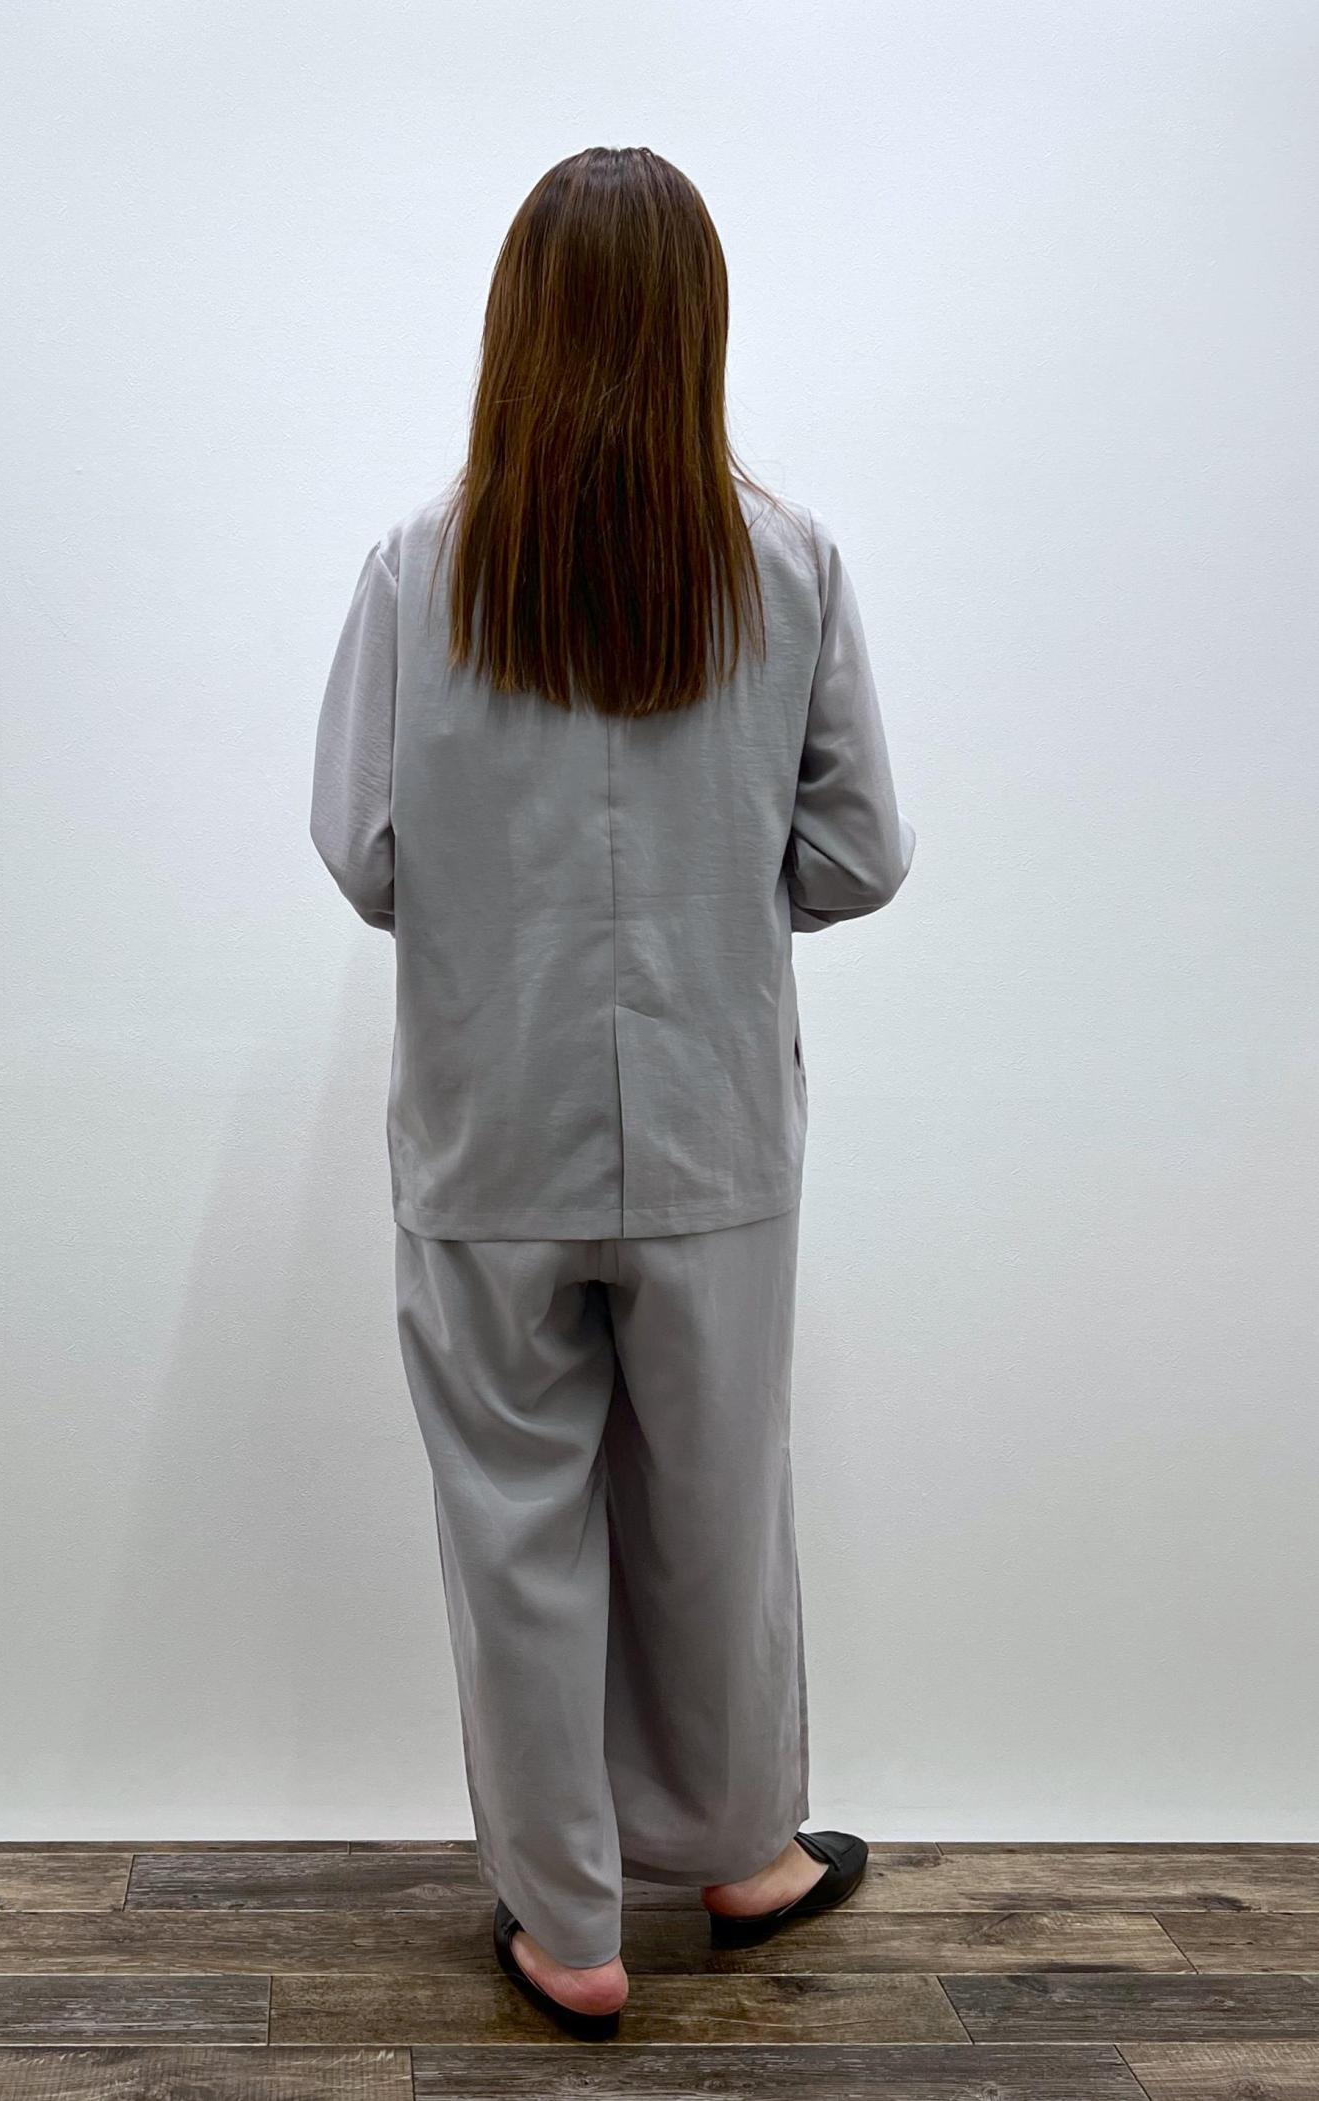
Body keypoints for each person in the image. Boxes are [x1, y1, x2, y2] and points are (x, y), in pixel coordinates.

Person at [310, 144, 914, 2041]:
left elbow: (366, 849)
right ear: (698, 327)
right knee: (718, 1508)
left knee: (516, 1523)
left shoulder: (424, 564)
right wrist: (719, 900)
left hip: (489, 1127)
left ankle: (569, 1926)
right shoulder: (787, 558)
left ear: (518, 326)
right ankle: (741, 1855)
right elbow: (863, 853)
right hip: (716, 1127)